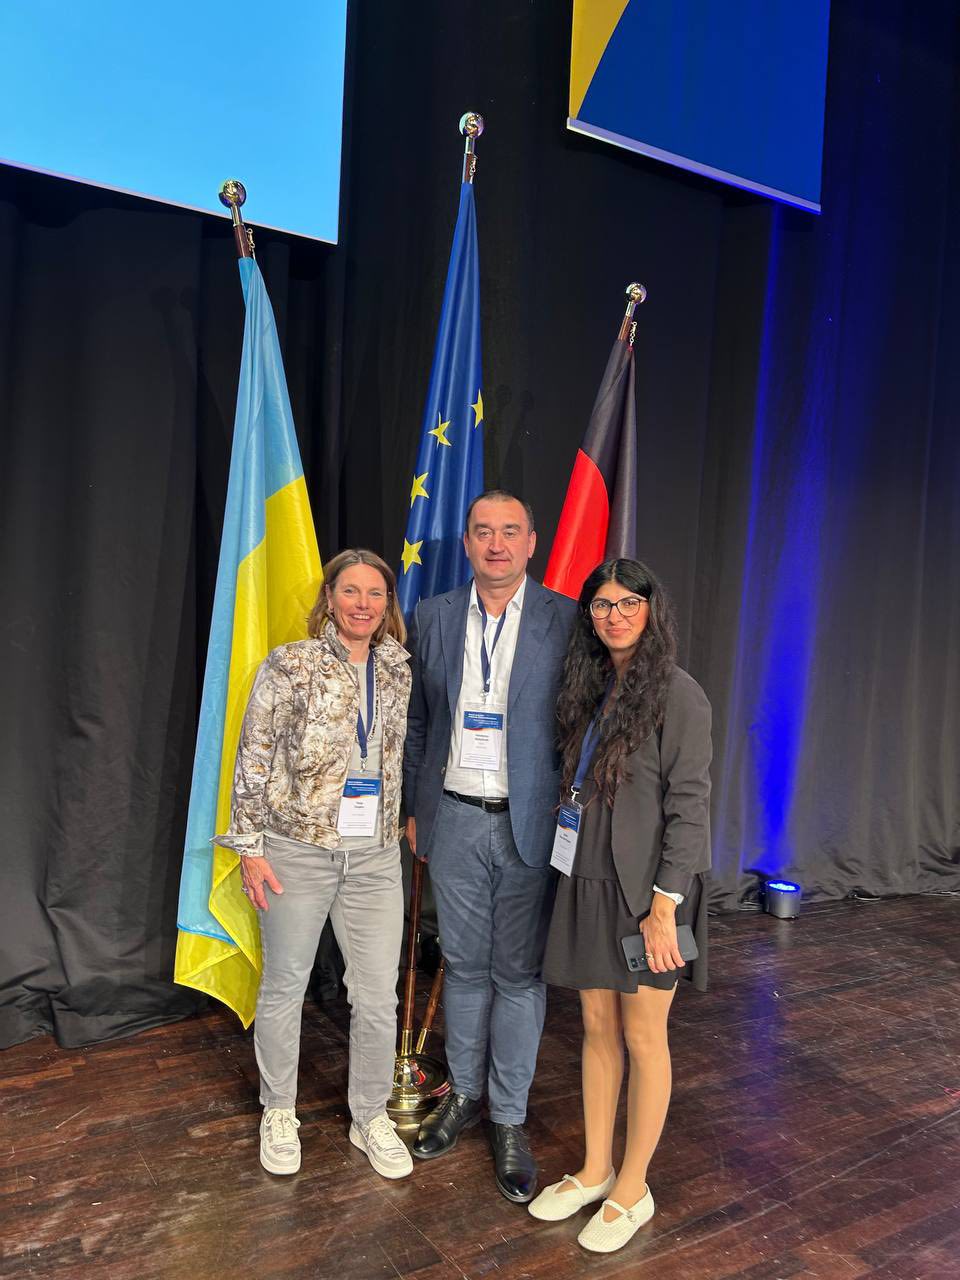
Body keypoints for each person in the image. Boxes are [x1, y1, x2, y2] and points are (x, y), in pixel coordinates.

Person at [529, 557, 711, 1255]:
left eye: (628, 603)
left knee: (644, 1035)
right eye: (602, 605)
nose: (615, 615)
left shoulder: (680, 695)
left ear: (650, 610)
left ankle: (633, 1189)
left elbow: (690, 807)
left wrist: (665, 906)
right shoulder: (592, 686)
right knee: (597, 1027)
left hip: (651, 897)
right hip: (587, 881)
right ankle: (596, 1169)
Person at [213, 549, 414, 1181]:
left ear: (387, 604)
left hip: (375, 857)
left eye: (375, 593)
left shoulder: (397, 667)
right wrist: (250, 849)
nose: (363, 605)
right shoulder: (291, 664)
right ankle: (278, 1111)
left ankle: (370, 1115)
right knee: (285, 986)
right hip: (297, 852)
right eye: (350, 591)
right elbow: (254, 753)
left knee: (377, 995)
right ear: (329, 597)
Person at [402, 490, 577, 1203]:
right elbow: (418, 722)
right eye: (483, 531)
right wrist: (416, 809)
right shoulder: (434, 616)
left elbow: (580, 725)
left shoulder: (568, 620)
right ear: (467, 542)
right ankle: (465, 1098)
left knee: (520, 976)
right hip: (453, 819)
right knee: (467, 969)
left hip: (529, 823)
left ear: (532, 542)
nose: (496, 544)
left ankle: (508, 1118)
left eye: (510, 531)